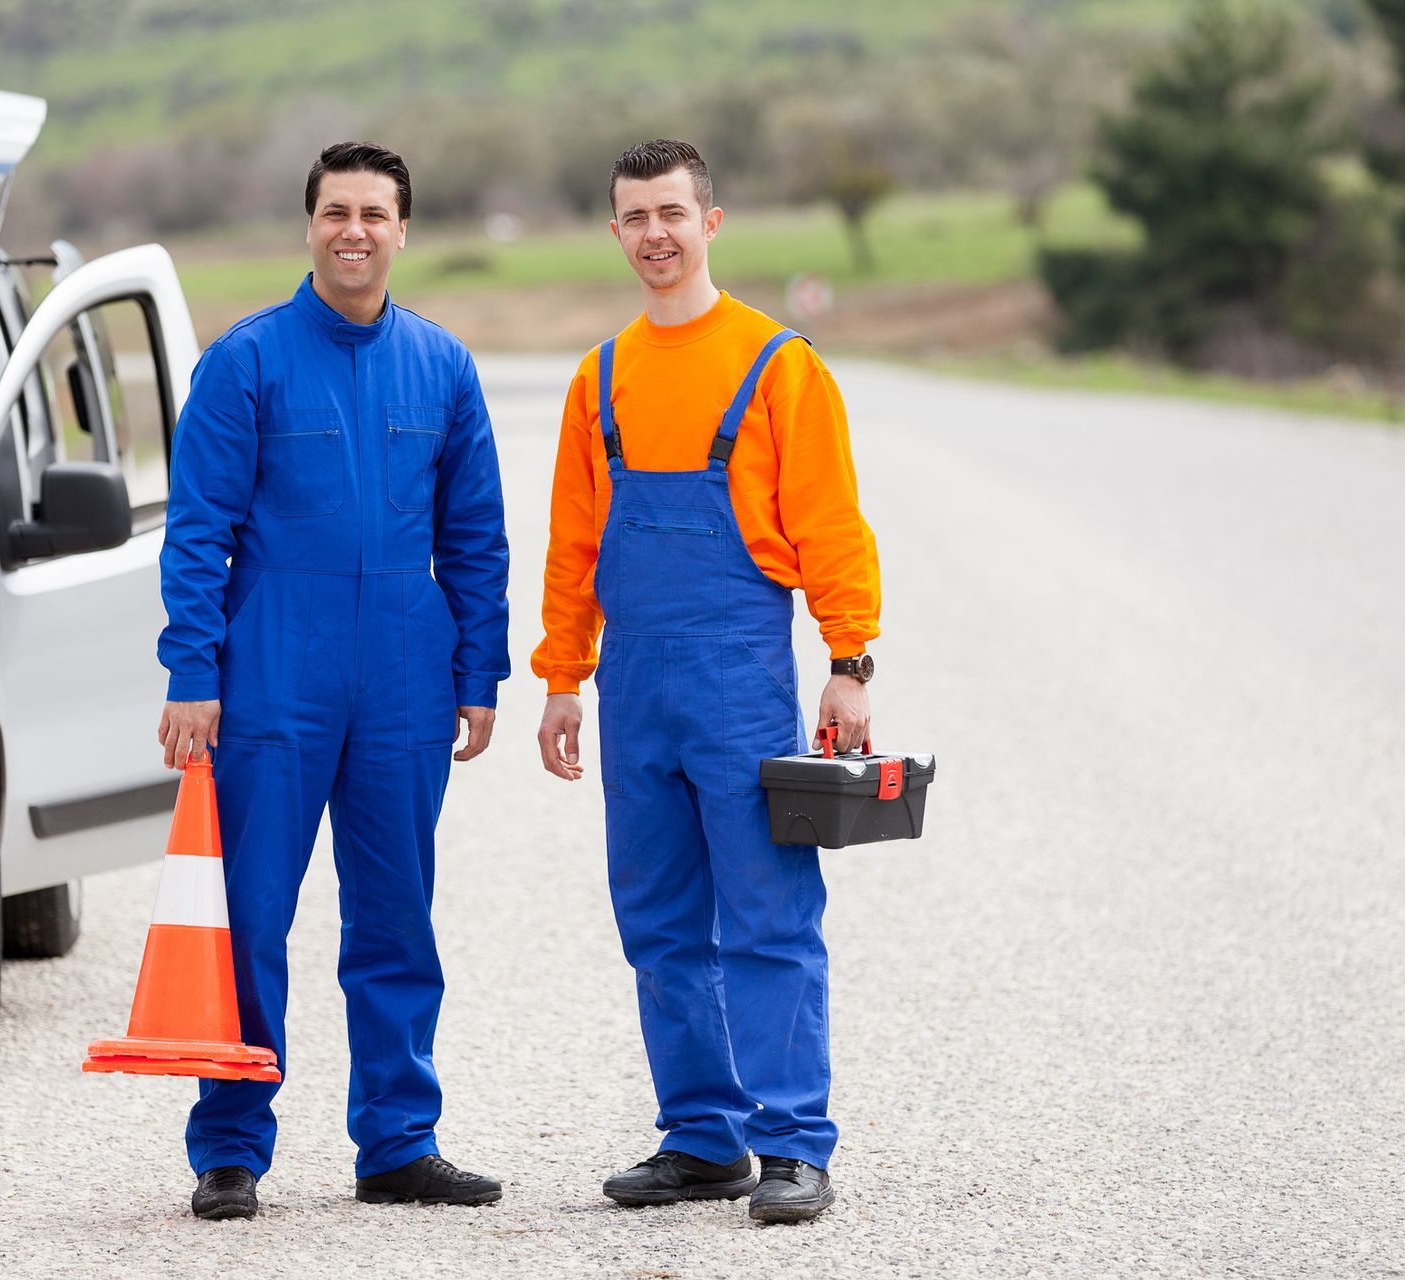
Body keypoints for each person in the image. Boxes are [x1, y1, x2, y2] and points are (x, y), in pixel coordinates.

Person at [156, 142, 510, 1221]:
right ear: (309, 226)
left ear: (404, 230)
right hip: (275, 674)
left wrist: (478, 668)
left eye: (376, 212)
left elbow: (476, 534)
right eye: (336, 211)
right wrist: (192, 669)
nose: (355, 229)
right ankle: (230, 1144)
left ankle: (399, 1139)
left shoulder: (443, 366)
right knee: (252, 915)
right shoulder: (247, 361)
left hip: (405, 671)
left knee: (398, 915)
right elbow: (197, 530)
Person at [533, 139, 881, 1224]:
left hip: (740, 674)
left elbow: (831, 521)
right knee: (660, 919)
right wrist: (560, 675)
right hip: (634, 680)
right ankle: (701, 1136)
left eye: (673, 213)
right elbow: (574, 544)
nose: (655, 234)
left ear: (711, 222)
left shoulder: (778, 364)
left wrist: (849, 658)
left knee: (770, 912)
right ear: (615, 231)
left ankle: (790, 1145)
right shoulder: (599, 377)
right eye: (635, 216)